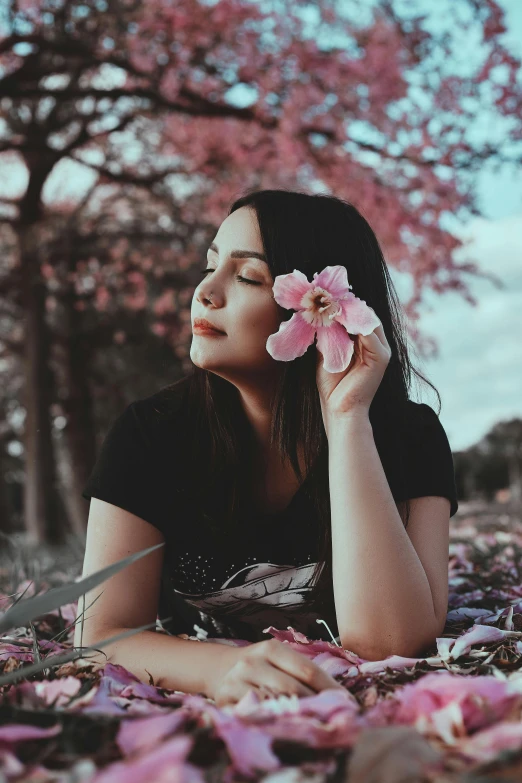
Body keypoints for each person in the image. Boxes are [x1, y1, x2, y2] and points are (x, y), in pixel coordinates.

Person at [75, 189, 458, 706]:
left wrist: (347, 421)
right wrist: (223, 669)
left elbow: (392, 643)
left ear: (329, 311)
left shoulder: (407, 437)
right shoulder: (151, 436)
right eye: (210, 265)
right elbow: (98, 635)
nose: (205, 292)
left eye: (248, 276)